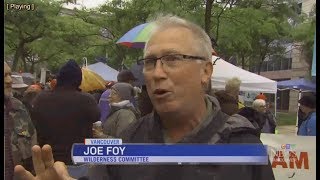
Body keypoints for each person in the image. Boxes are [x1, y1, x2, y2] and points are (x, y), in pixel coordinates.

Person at [14, 15, 274, 180]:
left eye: (172, 59)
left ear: (205, 71)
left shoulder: (242, 146)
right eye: (150, 62)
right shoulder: (128, 140)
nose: (157, 73)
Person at [30, 59, 100, 165]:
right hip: (77, 161)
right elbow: (96, 116)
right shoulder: (86, 100)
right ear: (78, 80)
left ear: (59, 78)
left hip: (48, 160)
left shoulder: (41, 98)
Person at [4, 62, 37, 180]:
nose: (9, 80)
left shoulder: (19, 107)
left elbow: (33, 145)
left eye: (9, 75)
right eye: (4, 76)